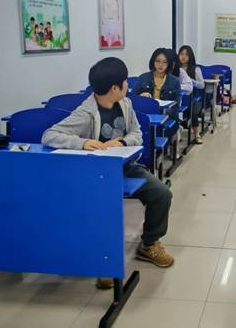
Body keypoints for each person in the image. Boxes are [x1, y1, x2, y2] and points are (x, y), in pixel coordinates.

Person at [42, 57, 174, 290]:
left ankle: (149, 244)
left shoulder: (126, 104)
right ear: (115, 87)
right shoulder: (86, 112)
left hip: (125, 167)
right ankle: (104, 262)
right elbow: (49, 135)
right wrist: (82, 143)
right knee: (104, 208)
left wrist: (122, 142)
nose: (128, 86)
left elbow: (137, 134)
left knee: (161, 193)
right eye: (125, 82)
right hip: (95, 174)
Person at [132, 48, 181, 119]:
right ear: (153, 61)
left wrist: (165, 111)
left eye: (164, 62)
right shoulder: (143, 78)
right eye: (158, 61)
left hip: (167, 117)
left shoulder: (174, 81)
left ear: (169, 64)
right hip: (146, 114)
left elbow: (176, 105)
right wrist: (140, 96)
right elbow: (132, 98)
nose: (161, 65)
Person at [177, 45, 205, 144]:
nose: (183, 57)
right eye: (181, 54)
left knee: (193, 111)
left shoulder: (195, 69)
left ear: (190, 56)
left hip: (193, 98)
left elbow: (202, 85)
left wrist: (191, 82)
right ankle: (176, 134)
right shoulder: (175, 68)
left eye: (186, 55)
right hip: (179, 97)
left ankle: (197, 134)